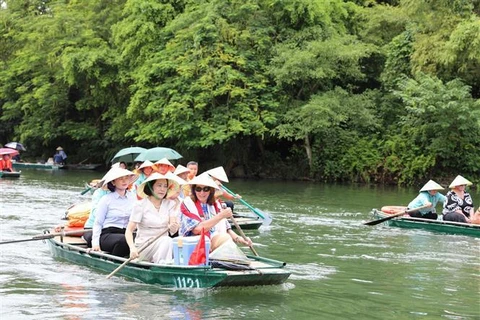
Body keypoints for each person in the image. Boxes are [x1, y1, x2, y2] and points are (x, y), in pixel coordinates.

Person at [179, 173, 252, 251]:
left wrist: (239, 239)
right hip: (193, 244)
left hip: (212, 241)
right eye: (198, 189)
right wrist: (221, 215)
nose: (202, 193)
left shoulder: (216, 204)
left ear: (211, 190)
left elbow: (227, 229)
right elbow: (197, 229)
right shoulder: (187, 204)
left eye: (206, 189)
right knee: (225, 239)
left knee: (226, 238)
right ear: (194, 190)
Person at [125, 172, 184, 264]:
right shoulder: (140, 205)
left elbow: (173, 229)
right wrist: (132, 248)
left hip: (164, 245)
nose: (162, 189)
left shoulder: (170, 204)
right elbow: (129, 230)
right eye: (159, 185)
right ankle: (162, 264)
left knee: (170, 241)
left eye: (165, 186)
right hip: (144, 246)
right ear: (151, 187)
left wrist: (174, 226)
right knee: (167, 240)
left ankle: (163, 264)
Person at [89, 167, 138, 257]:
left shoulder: (133, 198)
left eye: (126, 178)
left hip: (127, 233)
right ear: (113, 182)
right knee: (123, 241)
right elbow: (98, 223)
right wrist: (95, 243)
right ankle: (113, 262)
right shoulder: (106, 199)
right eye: (120, 179)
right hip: (108, 233)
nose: (124, 181)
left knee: (140, 240)